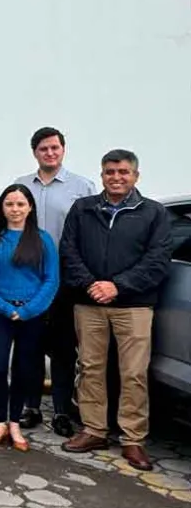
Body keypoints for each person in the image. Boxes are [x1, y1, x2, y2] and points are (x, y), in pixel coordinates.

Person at [59, 150, 172, 470]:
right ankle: (94, 429)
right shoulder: (83, 209)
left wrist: (117, 286)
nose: (116, 177)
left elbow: (158, 260)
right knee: (90, 367)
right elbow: (68, 251)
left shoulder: (154, 213)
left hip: (134, 306)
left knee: (133, 373)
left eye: (123, 172)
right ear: (102, 175)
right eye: (110, 172)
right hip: (89, 303)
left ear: (136, 176)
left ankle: (133, 439)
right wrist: (92, 284)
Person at [15, 127, 97, 436]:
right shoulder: (21, 186)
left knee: (64, 349)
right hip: (27, 279)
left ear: (63, 149)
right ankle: (30, 407)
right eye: (43, 149)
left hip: (65, 281)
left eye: (54, 148)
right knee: (29, 346)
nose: (50, 153)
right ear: (34, 152)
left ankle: (62, 410)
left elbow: (90, 233)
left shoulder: (82, 187)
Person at [0, 185, 60, 453]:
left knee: (24, 369)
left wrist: (27, 310)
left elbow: (51, 279)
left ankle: (14, 423)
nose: (15, 209)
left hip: (31, 315)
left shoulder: (42, 239)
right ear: (2, 207)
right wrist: (2, 306)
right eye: (10, 204)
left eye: (21, 204)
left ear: (30, 207)